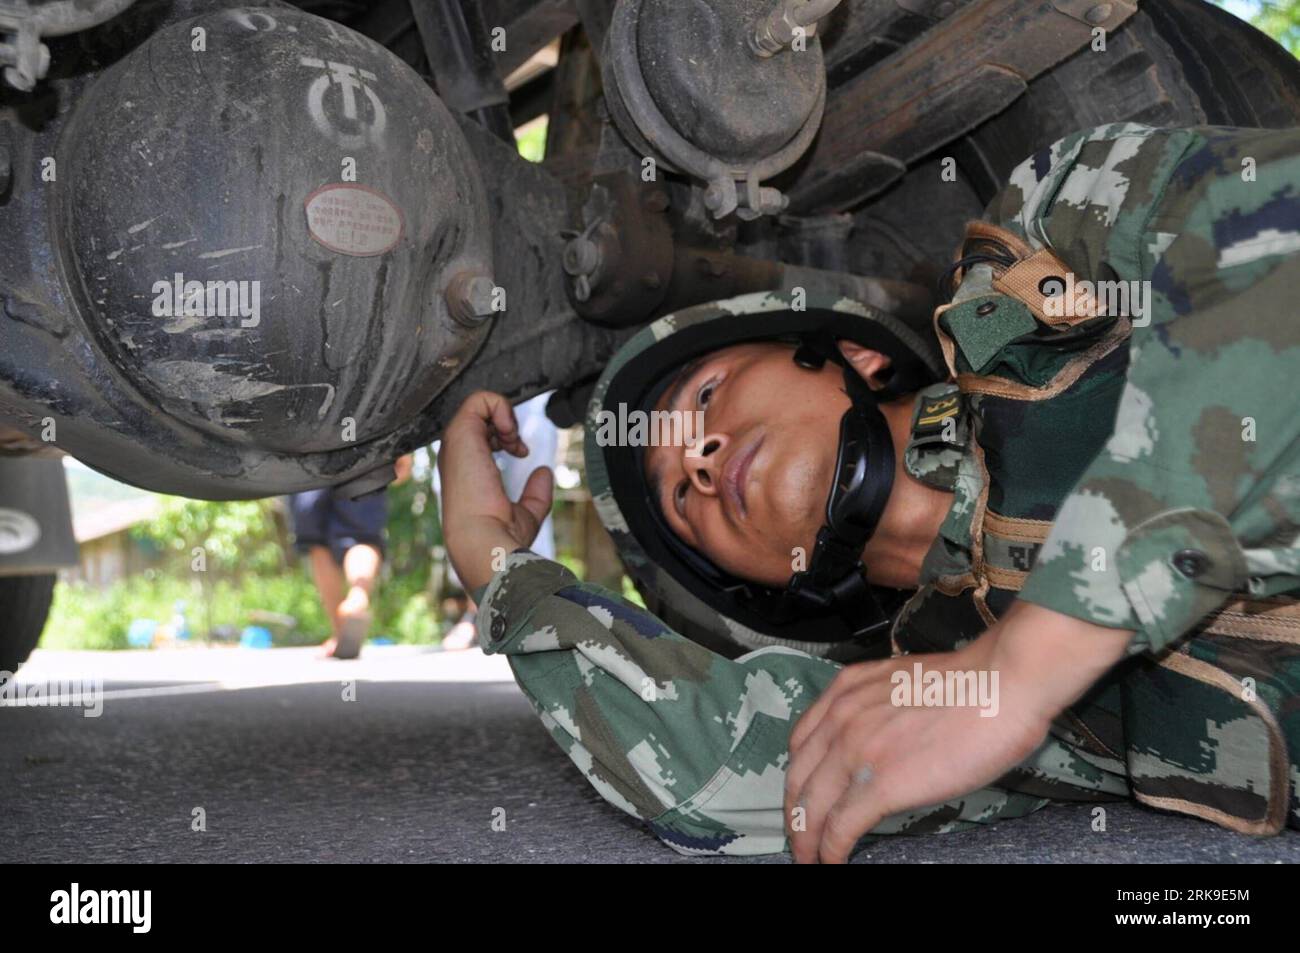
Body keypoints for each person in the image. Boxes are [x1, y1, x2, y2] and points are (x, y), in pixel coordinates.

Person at [438, 122, 1300, 861]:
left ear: (849, 352)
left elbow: (1274, 235)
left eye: (704, 398)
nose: (698, 457)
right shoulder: (930, 691)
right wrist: (498, 568)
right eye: (681, 499)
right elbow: (714, 768)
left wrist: (1027, 664)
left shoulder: (1035, 245)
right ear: (760, 592)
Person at [289, 455, 412, 659]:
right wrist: (405, 450)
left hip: (306, 444)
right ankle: (358, 595)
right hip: (363, 441)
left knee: (316, 541)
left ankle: (339, 632)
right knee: (361, 534)